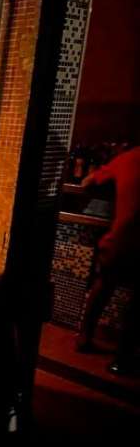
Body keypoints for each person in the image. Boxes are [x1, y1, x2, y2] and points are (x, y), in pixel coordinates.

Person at [77, 145, 140, 375]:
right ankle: (123, 357)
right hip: (130, 243)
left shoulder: (129, 158)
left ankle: (84, 338)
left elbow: (87, 183)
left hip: (121, 241)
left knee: (104, 285)